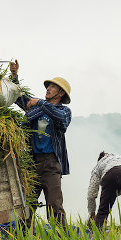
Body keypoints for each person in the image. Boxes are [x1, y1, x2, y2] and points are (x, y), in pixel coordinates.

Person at [9, 60, 71, 227]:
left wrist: (41, 102)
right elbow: (20, 97)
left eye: (52, 87)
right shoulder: (36, 109)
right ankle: (22, 239)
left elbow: (59, 118)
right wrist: (14, 76)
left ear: (60, 93)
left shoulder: (64, 111)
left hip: (51, 164)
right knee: (27, 204)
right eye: (48, 86)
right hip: (33, 162)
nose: (48, 89)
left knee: (54, 205)